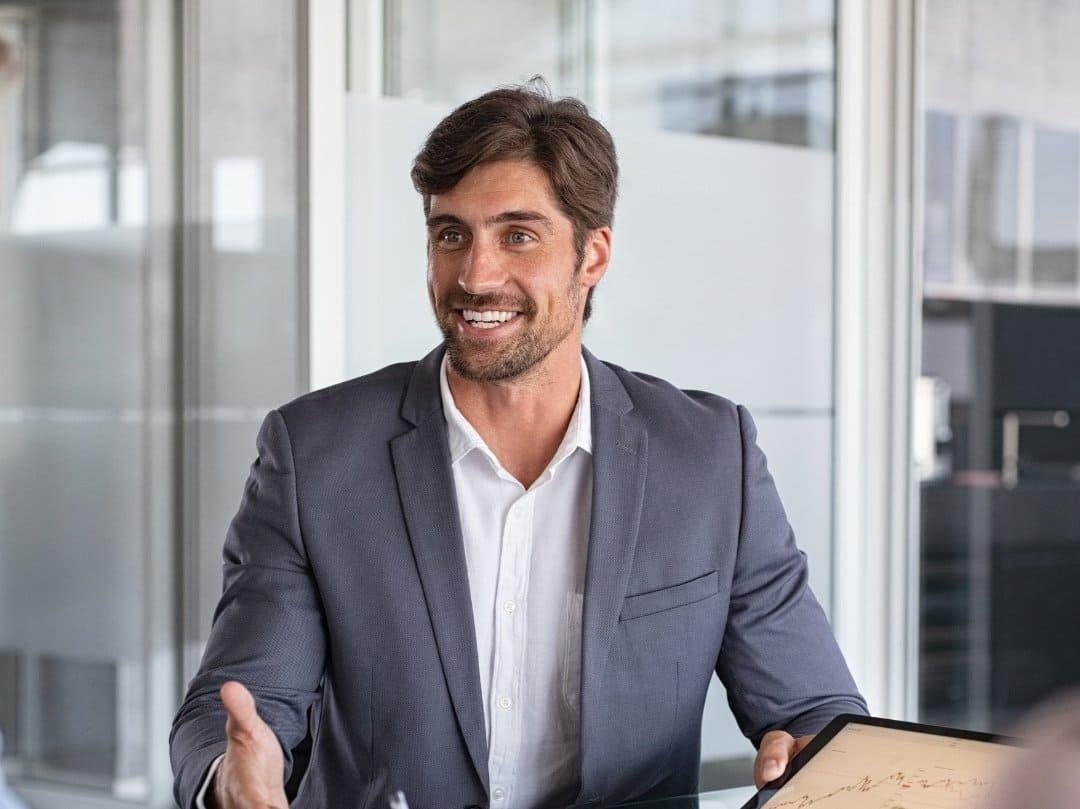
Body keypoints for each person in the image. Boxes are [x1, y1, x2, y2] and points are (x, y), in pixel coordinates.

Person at [169, 80, 867, 809]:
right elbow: (240, 710)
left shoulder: (710, 458)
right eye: (451, 234)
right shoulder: (315, 455)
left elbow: (816, 715)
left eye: (518, 235)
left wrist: (807, 760)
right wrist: (232, 779)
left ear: (593, 255)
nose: (475, 275)